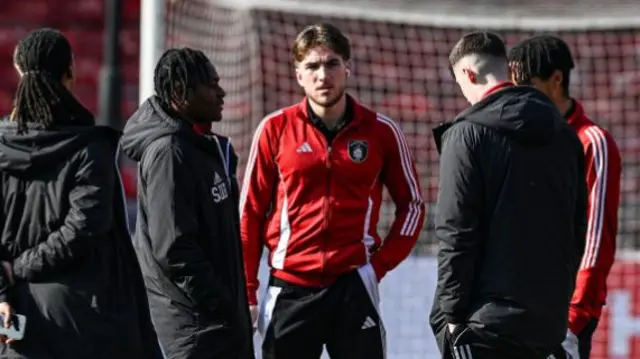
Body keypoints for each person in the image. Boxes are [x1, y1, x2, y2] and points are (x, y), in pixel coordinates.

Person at [240, 22, 425, 359]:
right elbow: (250, 212)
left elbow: (411, 205)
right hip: (289, 288)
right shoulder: (274, 129)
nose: (322, 75)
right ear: (298, 75)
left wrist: (376, 268)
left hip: (352, 286)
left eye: (331, 64)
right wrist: (249, 291)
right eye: (311, 66)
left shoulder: (381, 132)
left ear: (347, 68)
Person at [0, 28, 162, 358]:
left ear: (19, 73)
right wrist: (18, 267)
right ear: (70, 73)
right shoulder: (91, 149)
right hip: (85, 318)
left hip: (15, 317)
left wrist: (4, 286)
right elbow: (84, 228)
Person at [429, 31, 588, 359]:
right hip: (547, 322)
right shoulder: (567, 136)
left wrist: (452, 316)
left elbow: (456, 232)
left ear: (468, 75)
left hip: (486, 322)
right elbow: (577, 229)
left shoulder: (466, 134)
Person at [120, 48, 254, 359]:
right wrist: (221, 303)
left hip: (216, 325)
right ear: (181, 93)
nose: (221, 92)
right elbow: (175, 250)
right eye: (211, 84)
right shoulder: (168, 153)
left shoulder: (203, 146)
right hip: (196, 331)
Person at [509, 35, 622, 359]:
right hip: (508, 313)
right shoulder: (513, 137)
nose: (518, 95)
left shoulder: (592, 143)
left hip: (561, 318)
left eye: (527, 84)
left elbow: (597, 241)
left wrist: (572, 322)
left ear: (556, 80)